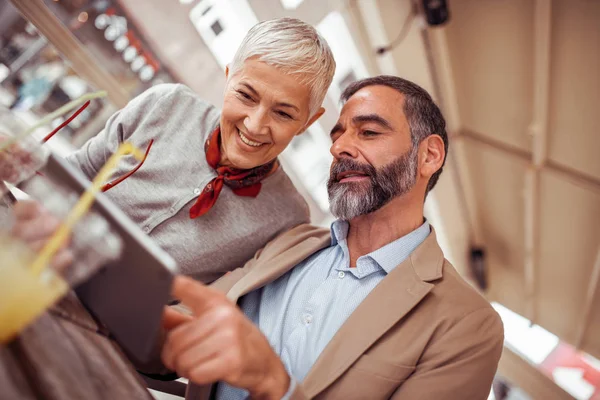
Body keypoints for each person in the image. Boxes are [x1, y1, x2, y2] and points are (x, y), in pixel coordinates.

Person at [159, 76, 505, 400]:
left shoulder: (468, 324)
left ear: (429, 155)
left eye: (368, 132)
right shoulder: (292, 242)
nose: (340, 148)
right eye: (336, 135)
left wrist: (275, 384)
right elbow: (179, 329)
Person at [11, 17, 336, 283]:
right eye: (246, 95)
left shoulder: (288, 220)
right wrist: (19, 163)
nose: (254, 125)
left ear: (308, 121)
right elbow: (76, 172)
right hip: (32, 265)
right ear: (227, 79)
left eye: (283, 113)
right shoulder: (165, 104)